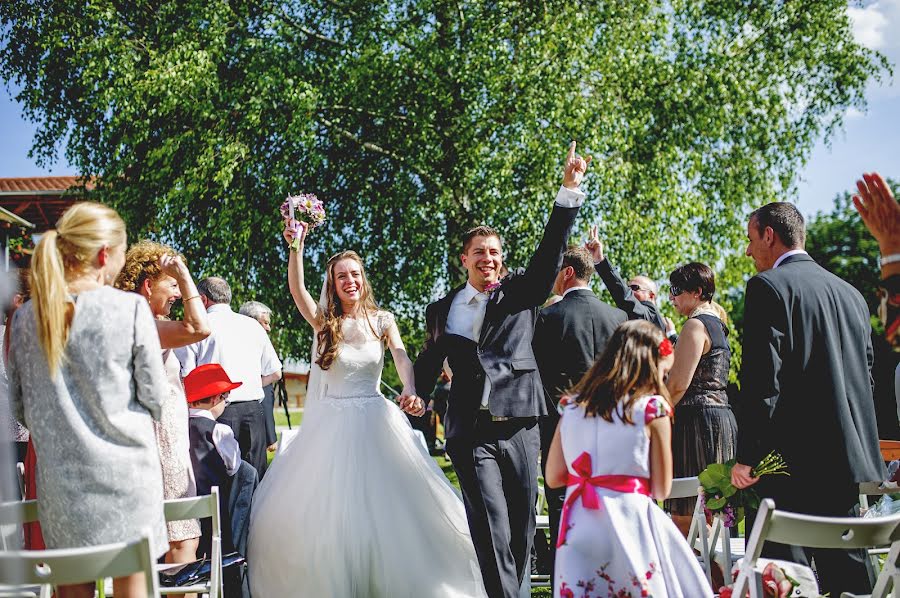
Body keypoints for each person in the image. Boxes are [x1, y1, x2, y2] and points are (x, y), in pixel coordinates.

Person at [247, 224, 486, 597]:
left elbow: (402, 358)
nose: (350, 281)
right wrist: (297, 245)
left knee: (392, 507)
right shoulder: (325, 322)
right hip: (332, 426)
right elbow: (298, 290)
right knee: (333, 512)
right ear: (333, 283)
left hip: (377, 419)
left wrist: (409, 389)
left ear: (364, 279)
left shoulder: (383, 320)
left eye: (355, 274)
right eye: (341, 276)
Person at [415, 141, 591, 598]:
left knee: (519, 525)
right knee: (490, 524)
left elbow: (549, 255)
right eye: (479, 252)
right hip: (469, 430)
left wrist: (568, 192)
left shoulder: (519, 294)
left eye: (494, 252)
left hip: (520, 425)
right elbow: (429, 362)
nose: (488, 259)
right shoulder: (443, 310)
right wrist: (414, 390)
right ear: (464, 260)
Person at [8, 202, 169, 598]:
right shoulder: (130, 308)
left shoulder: (27, 318)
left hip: (61, 488)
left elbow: (17, 406)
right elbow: (157, 399)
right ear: (103, 255)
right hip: (130, 482)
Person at [731, 201, 884, 597]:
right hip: (845, 466)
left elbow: (764, 382)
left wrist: (748, 456)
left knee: (782, 581)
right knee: (852, 583)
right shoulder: (852, 295)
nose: (748, 252)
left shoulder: (767, 288)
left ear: (769, 235)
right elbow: (866, 380)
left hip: (788, 468)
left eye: (751, 240)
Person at [545, 320, 711, 597]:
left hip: (579, 522)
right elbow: (661, 488)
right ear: (651, 364)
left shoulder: (571, 406)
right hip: (628, 520)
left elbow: (553, 477)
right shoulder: (652, 409)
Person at [115, 240, 210, 579]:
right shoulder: (145, 324)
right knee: (183, 544)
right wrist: (183, 275)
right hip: (163, 445)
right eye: (170, 285)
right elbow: (199, 327)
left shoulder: (136, 320)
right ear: (148, 284)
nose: (177, 293)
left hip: (161, 441)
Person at [532, 245, 626, 577]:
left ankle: (567, 577)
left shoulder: (545, 318)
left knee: (560, 499)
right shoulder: (617, 318)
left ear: (567, 272)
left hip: (560, 426)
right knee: (605, 498)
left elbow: (537, 374)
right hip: (609, 427)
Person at [175, 278, 281, 478]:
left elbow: (186, 374)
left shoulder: (198, 326)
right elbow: (275, 372)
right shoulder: (253, 326)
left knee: (221, 482)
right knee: (255, 480)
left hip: (215, 411)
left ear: (203, 299)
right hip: (253, 412)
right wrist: (250, 384)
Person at [663, 262, 737, 535]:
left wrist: (653, 417)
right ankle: (718, 577)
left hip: (696, 422)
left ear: (696, 292)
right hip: (719, 419)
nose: (671, 297)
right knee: (713, 513)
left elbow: (678, 384)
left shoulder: (695, 325)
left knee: (686, 514)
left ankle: (699, 577)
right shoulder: (718, 324)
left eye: (676, 290)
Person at [585, 225, 675, 338]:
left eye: (635, 288)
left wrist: (601, 261)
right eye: (628, 287)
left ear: (651, 296)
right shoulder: (634, 318)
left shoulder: (650, 314)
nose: (630, 291)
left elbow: (624, 296)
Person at [238, 300, 280, 452]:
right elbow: (275, 374)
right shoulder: (257, 342)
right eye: (265, 323)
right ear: (251, 321)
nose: (268, 328)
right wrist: (271, 437)